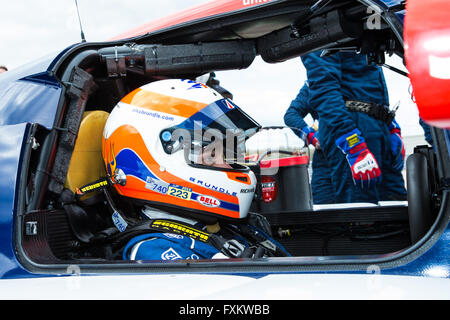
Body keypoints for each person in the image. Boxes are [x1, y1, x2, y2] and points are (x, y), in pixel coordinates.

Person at [98, 78, 290, 260]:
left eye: (226, 154)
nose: (227, 165)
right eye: (211, 156)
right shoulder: (154, 250)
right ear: (160, 160)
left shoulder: (224, 226)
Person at [300, 51, 407, 203]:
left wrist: (392, 128)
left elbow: (369, 91)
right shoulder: (325, 31)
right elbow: (324, 93)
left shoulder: (359, 32)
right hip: (352, 128)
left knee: (398, 203)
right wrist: (353, 145)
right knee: (363, 211)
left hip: (377, 127)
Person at [284, 81, 336, 204]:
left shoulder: (358, 77)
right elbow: (291, 114)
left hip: (356, 153)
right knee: (323, 209)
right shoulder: (314, 82)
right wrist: (311, 136)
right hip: (325, 158)